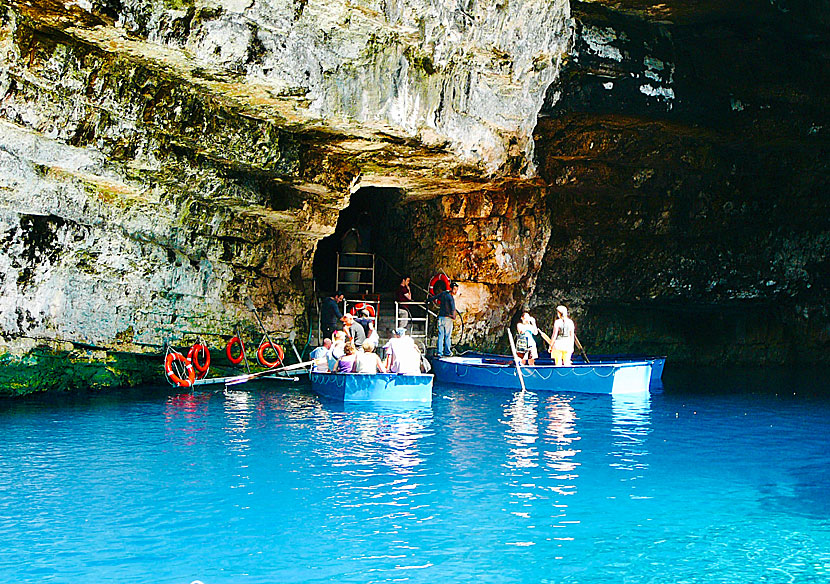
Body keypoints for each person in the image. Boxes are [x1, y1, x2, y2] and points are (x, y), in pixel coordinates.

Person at [427, 280, 459, 357]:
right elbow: (453, 308)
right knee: (447, 336)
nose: (455, 291)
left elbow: (434, 297)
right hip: (447, 319)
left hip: (440, 318)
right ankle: (447, 352)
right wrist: (454, 316)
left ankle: (439, 352)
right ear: (451, 288)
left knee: (440, 336)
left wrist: (427, 300)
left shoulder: (444, 293)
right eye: (455, 289)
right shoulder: (450, 298)